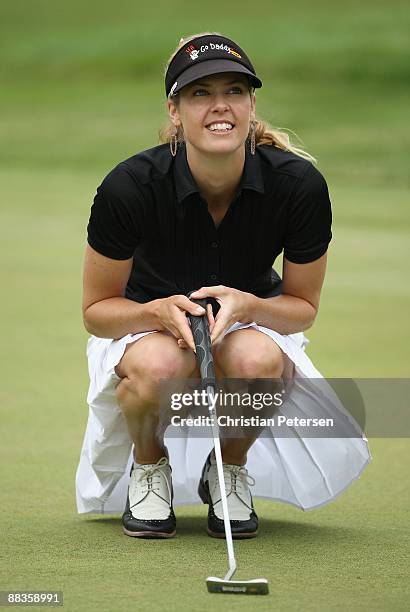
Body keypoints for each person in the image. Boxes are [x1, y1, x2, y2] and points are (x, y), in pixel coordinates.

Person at [76, 32, 370, 538]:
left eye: (235, 91)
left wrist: (250, 305)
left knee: (258, 363)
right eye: (199, 93)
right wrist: (154, 314)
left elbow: (302, 307)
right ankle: (150, 468)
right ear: (175, 110)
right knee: (158, 366)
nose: (220, 106)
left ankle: (228, 466)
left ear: (252, 103)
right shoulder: (129, 186)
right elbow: (96, 310)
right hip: (146, 325)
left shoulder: (298, 186)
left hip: (252, 322)